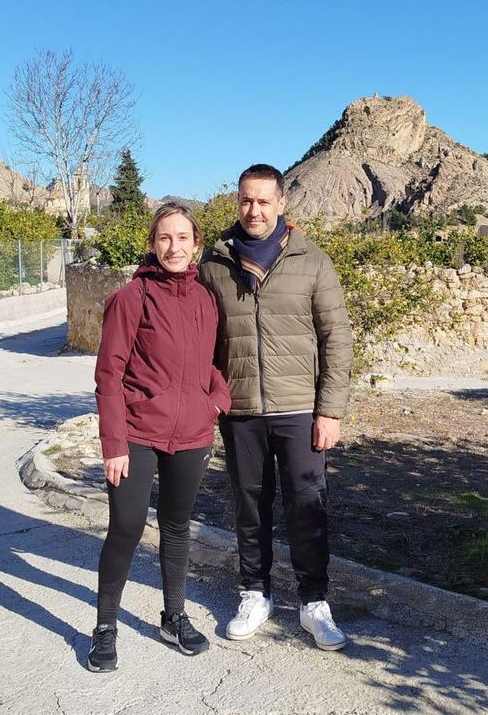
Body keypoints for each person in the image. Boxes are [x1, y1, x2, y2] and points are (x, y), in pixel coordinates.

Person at [199, 163, 353, 651]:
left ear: (282, 203)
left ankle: (314, 602)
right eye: (247, 200)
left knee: (307, 506)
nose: (255, 210)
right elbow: (201, 337)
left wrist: (330, 410)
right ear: (237, 202)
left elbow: (336, 338)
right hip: (241, 410)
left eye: (264, 201)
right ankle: (254, 593)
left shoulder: (313, 261)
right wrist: (213, 398)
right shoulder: (215, 263)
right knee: (250, 505)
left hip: (300, 409)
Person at [87, 203, 232, 672]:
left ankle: (174, 617)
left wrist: (216, 402)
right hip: (137, 434)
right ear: (153, 243)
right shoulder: (132, 297)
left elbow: (213, 364)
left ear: (196, 244)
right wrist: (114, 444)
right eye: (165, 238)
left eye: (183, 237)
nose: (174, 247)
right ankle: (105, 626)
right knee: (127, 528)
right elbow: (109, 375)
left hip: (192, 435)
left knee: (176, 527)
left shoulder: (205, 299)